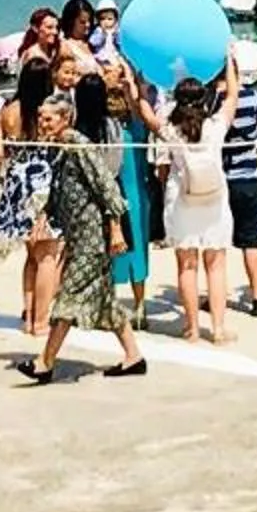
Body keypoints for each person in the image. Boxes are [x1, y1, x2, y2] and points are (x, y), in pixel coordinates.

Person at [23, 74, 146, 382]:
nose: (43, 124)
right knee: (105, 299)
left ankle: (45, 362)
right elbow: (60, 189)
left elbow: (106, 185)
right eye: (41, 118)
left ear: (65, 119)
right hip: (76, 234)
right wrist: (43, 216)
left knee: (68, 295)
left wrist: (116, 228)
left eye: (48, 119)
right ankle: (134, 357)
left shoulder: (79, 144)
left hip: (93, 236)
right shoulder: (61, 148)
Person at [154, 65, 236, 344]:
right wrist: (230, 64)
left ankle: (191, 329)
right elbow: (232, 97)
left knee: (187, 265)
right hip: (213, 197)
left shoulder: (171, 130)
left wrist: (137, 83)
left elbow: (142, 110)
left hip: (182, 197)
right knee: (216, 264)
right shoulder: (215, 127)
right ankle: (219, 328)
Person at [0, 57, 62, 334]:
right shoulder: (48, 113)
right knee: (47, 256)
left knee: (31, 255)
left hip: (17, 181)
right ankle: (41, 320)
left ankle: (28, 316)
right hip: (41, 182)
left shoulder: (8, 110)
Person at [220, 42, 257, 316]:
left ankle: (217, 294)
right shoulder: (253, 98)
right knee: (251, 239)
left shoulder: (214, 103)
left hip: (222, 179)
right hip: (247, 176)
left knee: (217, 242)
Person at [104, 61, 155, 320]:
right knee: (138, 248)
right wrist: (130, 80)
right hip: (136, 192)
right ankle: (140, 304)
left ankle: (111, 303)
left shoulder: (105, 128)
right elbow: (140, 106)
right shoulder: (136, 128)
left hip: (114, 191)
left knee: (110, 249)